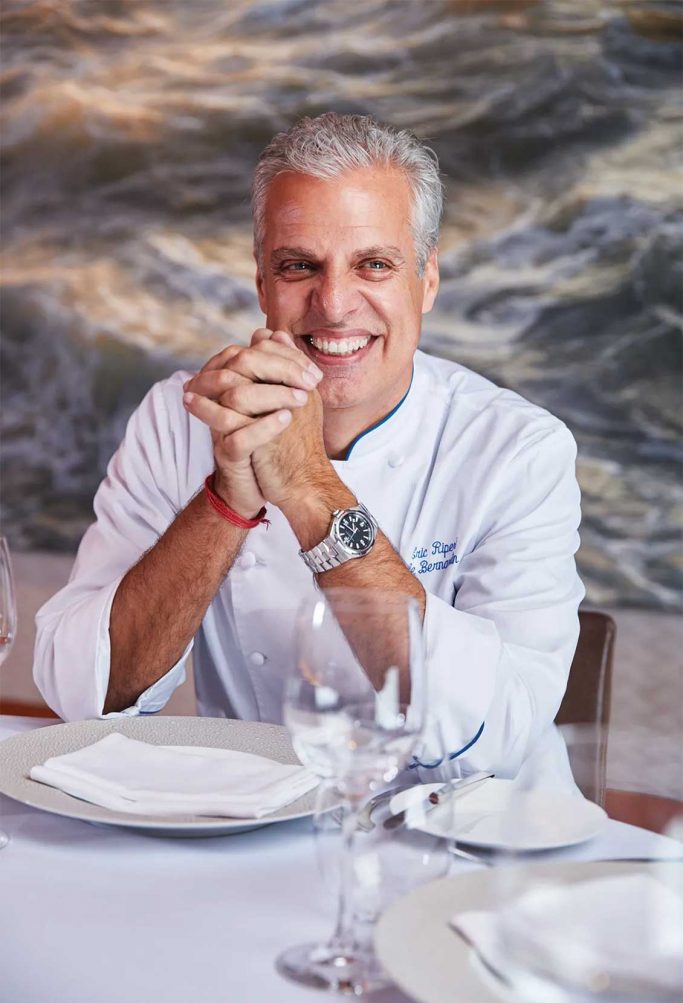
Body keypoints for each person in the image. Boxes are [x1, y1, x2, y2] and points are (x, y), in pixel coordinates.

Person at [34, 113, 584, 784]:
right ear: (262, 283)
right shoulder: (181, 418)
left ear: (427, 280)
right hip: (247, 830)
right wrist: (225, 500)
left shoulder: (517, 450)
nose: (334, 305)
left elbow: (491, 737)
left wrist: (308, 489)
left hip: (460, 849)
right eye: (299, 267)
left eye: (373, 265)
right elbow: (87, 699)